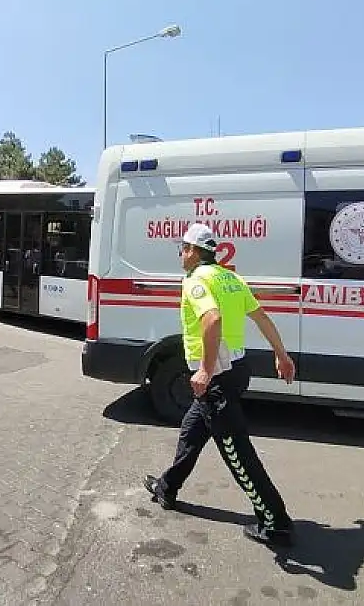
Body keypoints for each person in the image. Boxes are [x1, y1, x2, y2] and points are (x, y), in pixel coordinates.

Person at [143, 223, 298, 547]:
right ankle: (167, 488)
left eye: (182, 248)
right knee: (191, 431)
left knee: (237, 452)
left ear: (194, 251)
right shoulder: (230, 277)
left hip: (217, 377)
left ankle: (275, 522)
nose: (180, 254)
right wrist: (281, 356)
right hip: (237, 368)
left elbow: (211, 319)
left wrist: (204, 370)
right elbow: (262, 318)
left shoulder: (196, 280)